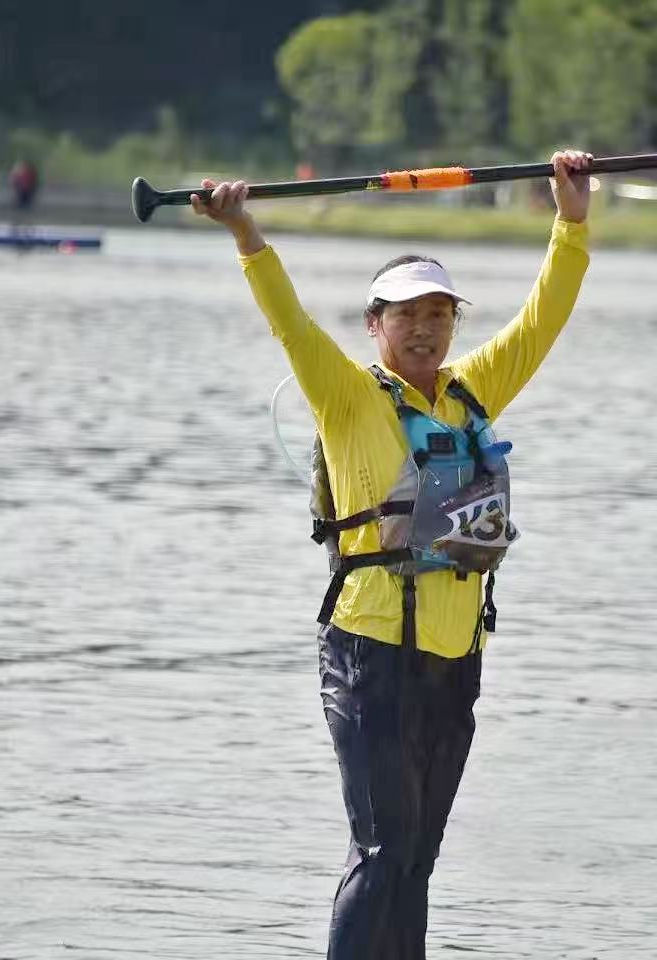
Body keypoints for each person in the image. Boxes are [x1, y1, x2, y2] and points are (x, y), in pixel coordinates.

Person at [192, 149, 593, 959]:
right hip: (368, 655)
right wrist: (245, 234)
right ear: (374, 325)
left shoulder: (473, 391)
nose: (424, 328)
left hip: (455, 658)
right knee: (382, 851)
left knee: (416, 860)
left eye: (439, 313)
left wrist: (571, 222)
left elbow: (540, 322)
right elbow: (290, 322)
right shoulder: (345, 395)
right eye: (406, 314)